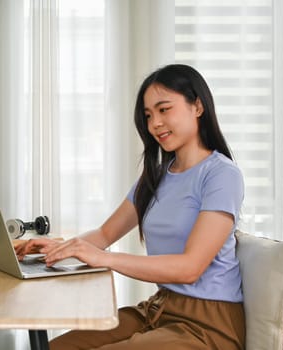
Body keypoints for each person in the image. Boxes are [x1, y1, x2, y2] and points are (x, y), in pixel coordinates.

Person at [15, 64, 245, 350]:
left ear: (197, 106)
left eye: (164, 109)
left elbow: (190, 268)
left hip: (208, 325)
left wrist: (105, 258)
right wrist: (54, 248)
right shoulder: (157, 176)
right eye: (148, 115)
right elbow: (102, 235)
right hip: (158, 309)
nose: (154, 124)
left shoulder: (221, 174)